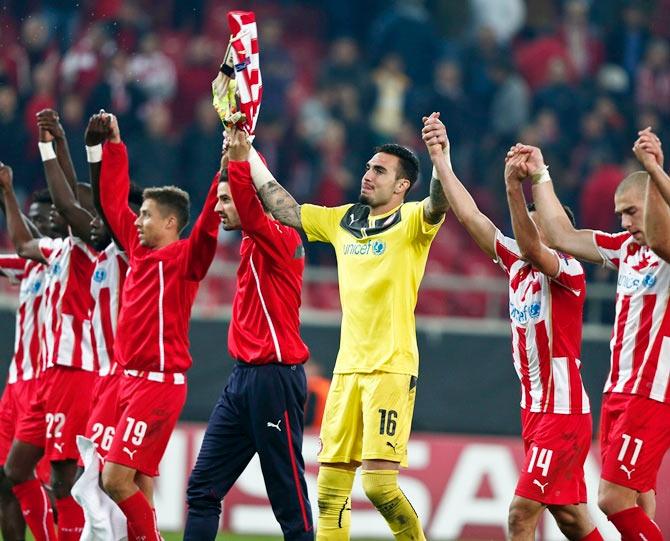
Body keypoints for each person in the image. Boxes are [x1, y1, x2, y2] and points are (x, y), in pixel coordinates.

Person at [248, 112, 449, 540]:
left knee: (379, 486)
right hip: (347, 371)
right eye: (367, 167)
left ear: (401, 186)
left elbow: (438, 201)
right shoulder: (343, 220)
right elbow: (284, 207)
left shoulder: (413, 222)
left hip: (390, 368)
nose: (367, 175)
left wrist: (440, 158)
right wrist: (246, 151)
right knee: (329, 492)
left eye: (380, 170)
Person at [422, 116, 602, 539]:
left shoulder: (568, 270)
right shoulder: (515, 265)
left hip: (563, 411)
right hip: (534, 410)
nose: (532, 223)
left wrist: (513, 189)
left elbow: (534, 247)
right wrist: (440, 158)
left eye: (540, 218)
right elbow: (469, 216)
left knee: (521, 514)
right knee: (571, 518)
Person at [510, 137, 669, 540]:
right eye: (621, 215)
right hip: (619, 389)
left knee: (611, 499)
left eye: (631, 212)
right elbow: (562, 235)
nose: (625, 223)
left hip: (651, 389)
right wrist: (540, 173)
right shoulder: (625, 249)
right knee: (636, 497)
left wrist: (655, 172)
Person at [89, 113, 220, 541]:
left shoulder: (184, 259)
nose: (137, 219)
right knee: (139, 483)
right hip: (128, 383)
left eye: (145, 214)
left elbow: (205, 232)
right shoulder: (139, 250)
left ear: (169, 223)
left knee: (114, 480)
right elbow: (110, 202)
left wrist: (227, 168)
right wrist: (114, 146)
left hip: (157, 385)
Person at [185, 128, 313, 540]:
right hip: (243, 379)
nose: (220, 208)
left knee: (289, 503)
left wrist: (241, 161)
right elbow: (247, 202)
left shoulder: (281, 238)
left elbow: (252, 204)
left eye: (226, 199)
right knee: (202, 488)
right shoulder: (252, 242)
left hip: (274, 378)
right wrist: (234, 156)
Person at [2, 118, 100, 541]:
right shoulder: (49, 253)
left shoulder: (87, 248)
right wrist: (8, 193)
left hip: (75, 372)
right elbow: (24, 243)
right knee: (15, 475)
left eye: (51, 215)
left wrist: (54, 148)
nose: (47, 221)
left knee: (68, 481)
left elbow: (72, 199)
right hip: (39, 380)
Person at [0, 188, 60, 541]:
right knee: (6, 482)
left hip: (48, 388)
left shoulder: (71, 262)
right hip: (15, 389)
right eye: (30, 221)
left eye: (40, 222)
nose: (32, 230)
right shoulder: (26, 268)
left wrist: (7, 191)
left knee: (45, 485)